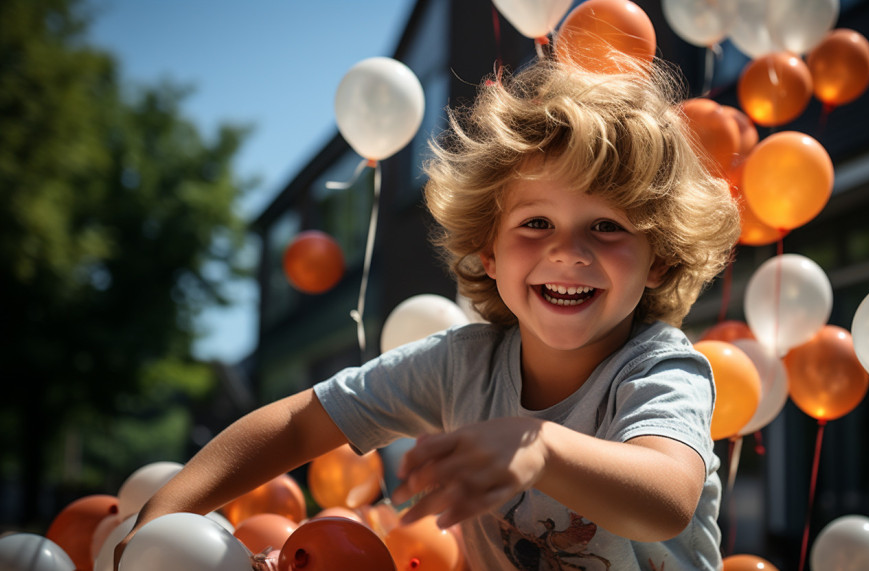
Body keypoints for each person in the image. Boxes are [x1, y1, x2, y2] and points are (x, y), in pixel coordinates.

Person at [115, 54, 740, 570]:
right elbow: (300, 424)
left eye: (606, 227)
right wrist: (160, 521)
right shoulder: (462, 365)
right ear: (488, 250)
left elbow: (667, 496)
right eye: (536, 222)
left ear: (657, 259)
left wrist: (541, 447)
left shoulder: (659, 369)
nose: (567, 251)